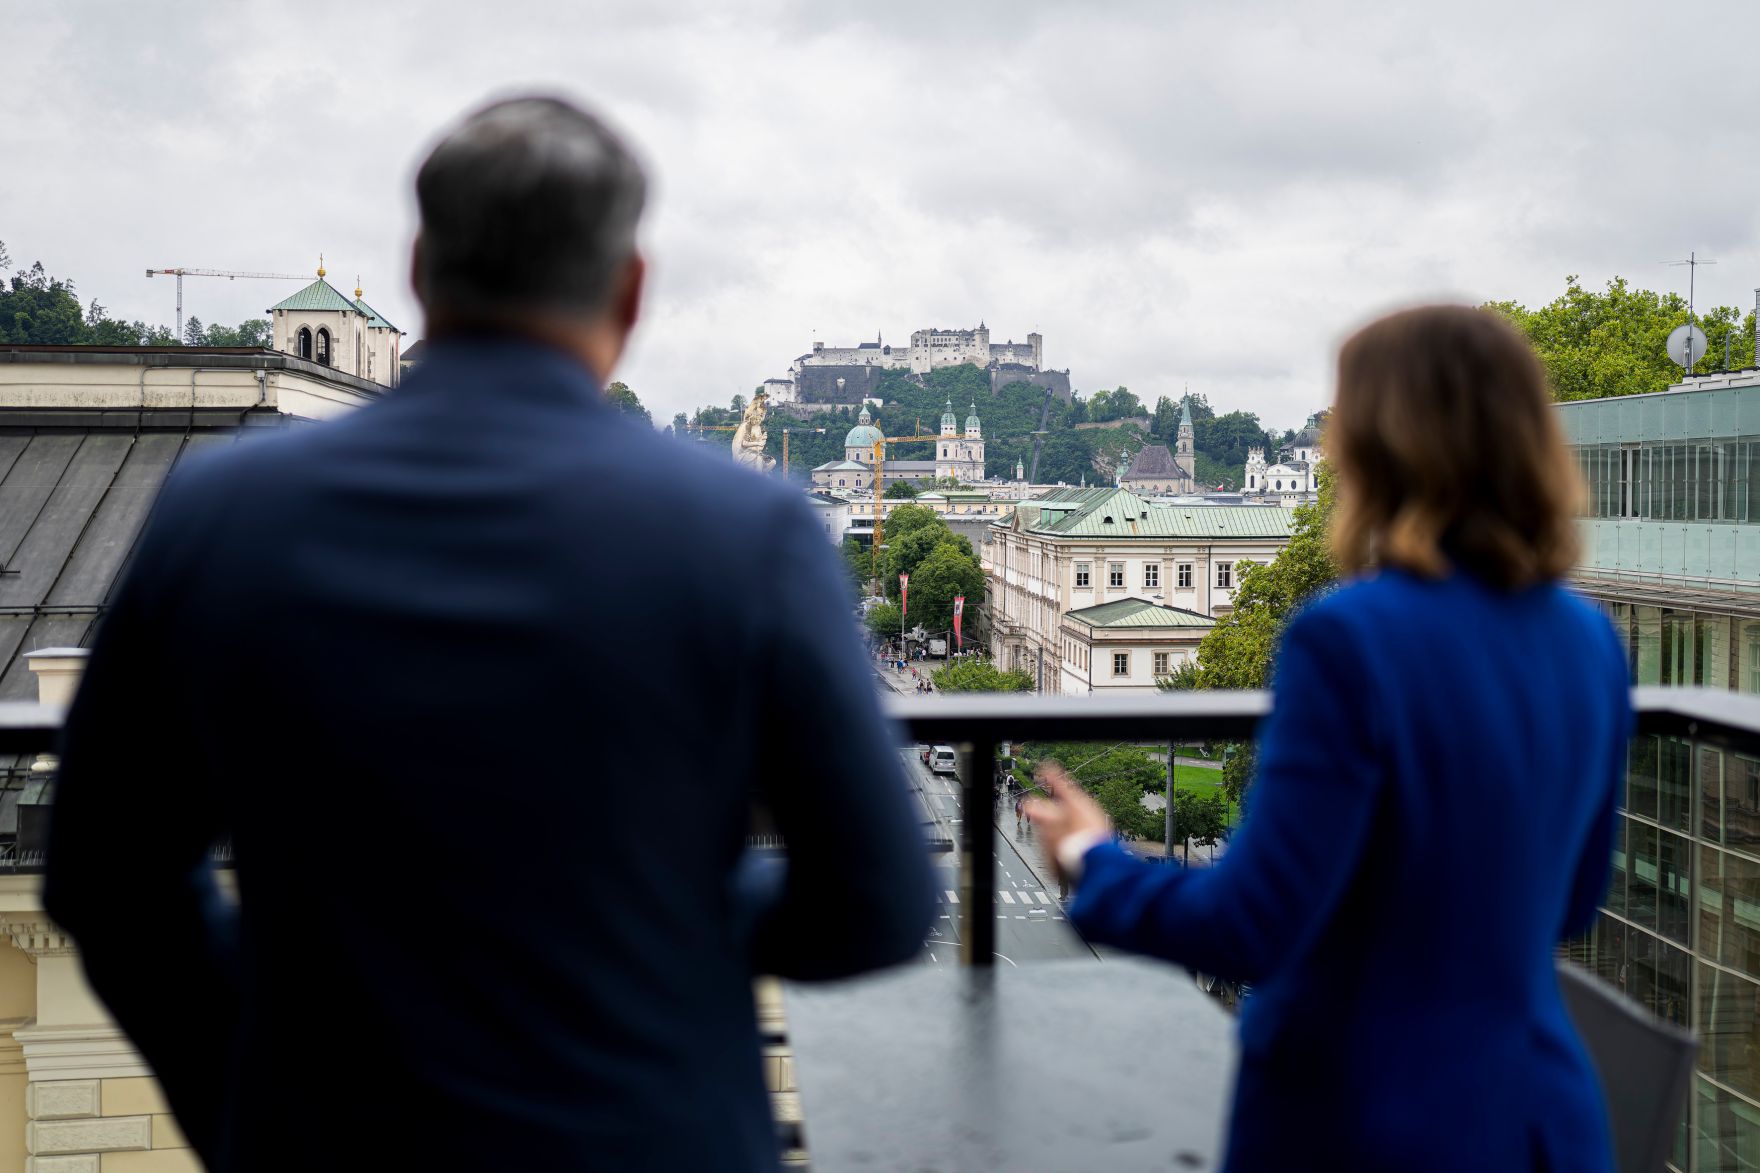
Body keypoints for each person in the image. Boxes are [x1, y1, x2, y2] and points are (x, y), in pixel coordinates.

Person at [43, 96, 934, 1173]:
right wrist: (657, 912)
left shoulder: (222, 507)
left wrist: (245, 1093)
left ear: (420, 270)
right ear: (631, 288)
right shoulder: (749, 529)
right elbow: (877, 905)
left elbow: (104, 876)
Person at [1028, 305, 1629, 1173]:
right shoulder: (1588, 639)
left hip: (1364, 1117)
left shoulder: (1348, 637)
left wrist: (1093, 860)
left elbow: (1252, 922)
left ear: (1376, 448)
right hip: (1539, 1118)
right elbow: (1572, 900)